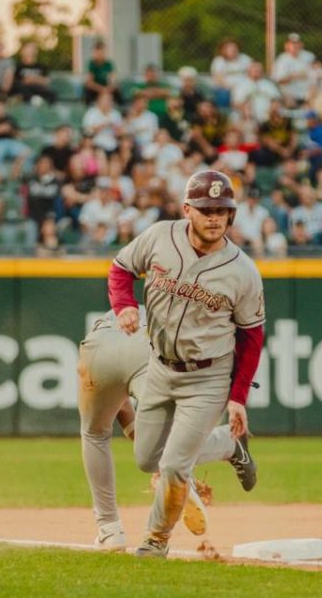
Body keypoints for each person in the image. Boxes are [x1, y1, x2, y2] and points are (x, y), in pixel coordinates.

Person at [106, 171, 265, 558]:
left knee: (175, 466)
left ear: (231, 216)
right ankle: (229, 445)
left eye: (222, 210)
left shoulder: (242, 270)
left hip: (208, 377)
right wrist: (124, 306)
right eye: (206, 209)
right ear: (187, 210)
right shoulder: (161, 236)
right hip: (160, 367)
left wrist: (238, 396)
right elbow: (121, 268)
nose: (214, 217)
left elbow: (252, 337)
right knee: (147, 459)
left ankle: (156, 539)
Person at [78, 308, 257, 551]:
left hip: (98, 349)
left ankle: (110, 529)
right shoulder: (164, 309)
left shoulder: (120, 314)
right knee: (167, 444)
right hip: (148, 344)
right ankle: (222, 446)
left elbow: (120, 407)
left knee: (94, 434)